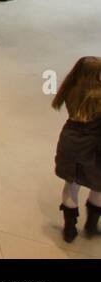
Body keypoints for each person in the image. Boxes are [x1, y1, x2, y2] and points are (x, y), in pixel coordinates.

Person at [51, 57, 101, 243]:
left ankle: (69, 229)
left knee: (71, 185)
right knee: (98, 187)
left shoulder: (70, 89)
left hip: (69, 142)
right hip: (93, 147)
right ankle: (91, 225)